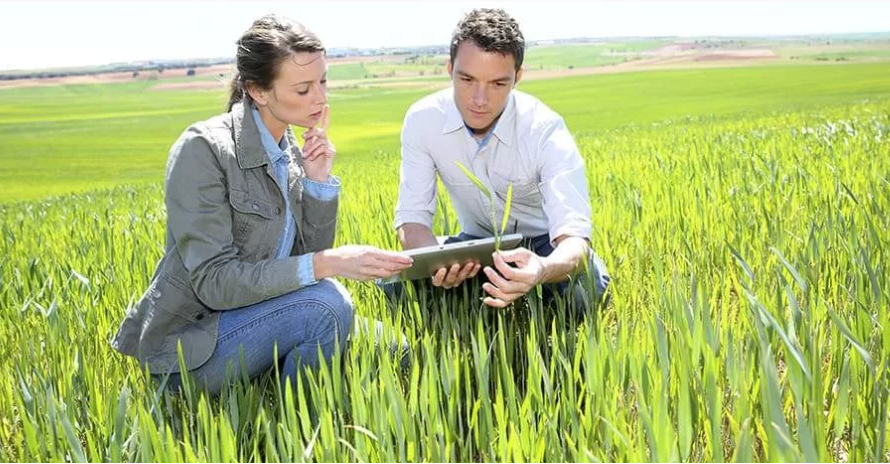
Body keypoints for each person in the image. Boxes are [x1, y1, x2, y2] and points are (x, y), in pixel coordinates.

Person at [111, 15, 413, 395]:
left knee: (399, 351)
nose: (321, 98)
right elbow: (214, 283)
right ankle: (305, 433)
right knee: (326, 306)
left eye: (323, 82)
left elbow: (304, 262)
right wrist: (332, 263)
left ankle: (283, 367)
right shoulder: (202, 150)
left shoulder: (289, 149)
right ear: (257, 90)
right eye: (303, 89)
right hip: (196, 347)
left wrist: (318, 182)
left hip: (267, 312)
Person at [392, 8, 610, 311]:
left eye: (497, 84)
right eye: (467, 79)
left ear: (517, 78)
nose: (479, 99)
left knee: (583, 290)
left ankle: (516, 298)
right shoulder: (422, 120)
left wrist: (542, 270)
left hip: (543, 247)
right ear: (449, 68)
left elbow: (575, 242)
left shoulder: (544, 129)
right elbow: (412, 219)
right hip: (474, 246)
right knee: (395, 286)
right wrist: (437, 263)